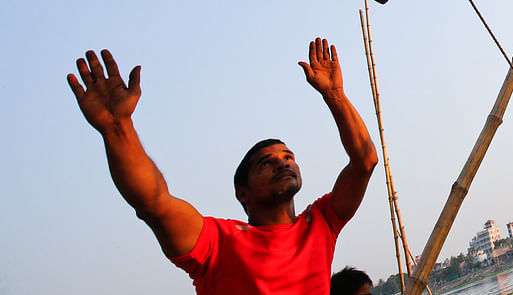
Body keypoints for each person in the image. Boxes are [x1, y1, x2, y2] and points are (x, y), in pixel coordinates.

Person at [68, 38, 379, 294]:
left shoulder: (320, 223)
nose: (283, 164)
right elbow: (153, 203)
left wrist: (335, 95)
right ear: (242, 193)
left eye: (288, 157)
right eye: (266, 163)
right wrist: (117, 128)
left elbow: (364, 162)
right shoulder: (217, 242)